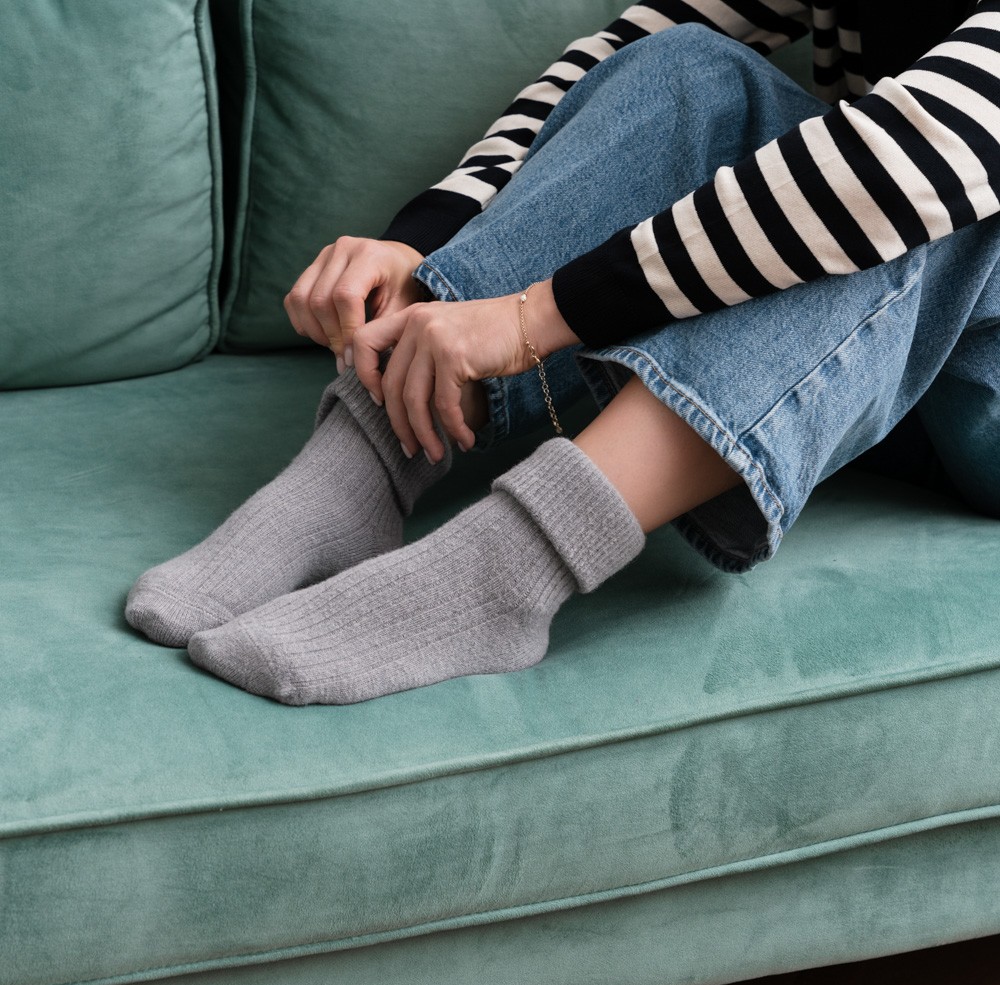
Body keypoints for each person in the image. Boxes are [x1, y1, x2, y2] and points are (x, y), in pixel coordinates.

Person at [126, 0, 1000, 704]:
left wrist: (534, 318)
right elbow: (626, 53)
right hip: (876, 355)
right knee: (689, 70)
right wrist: (423, 238)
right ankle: (358, 473)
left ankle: (506, 572)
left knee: (912, 192)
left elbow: (904, 169)